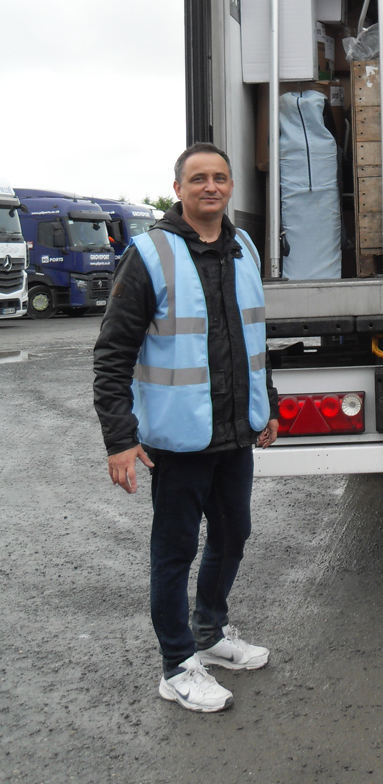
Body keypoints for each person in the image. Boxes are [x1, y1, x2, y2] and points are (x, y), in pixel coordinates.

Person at [94, 144, 279, 713]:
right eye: (198, 178)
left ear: (230, 188)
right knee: (174, 552)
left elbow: (255, 340)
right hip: (178, 442)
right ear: (178, 189)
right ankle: (176, 666)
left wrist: (267, 403)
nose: (211, 186)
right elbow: (112, 353)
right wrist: (120, 438)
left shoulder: (243, 246)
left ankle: (211, 633)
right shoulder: (150, 254)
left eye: (220, 177)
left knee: (233, 536)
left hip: (234, 435)